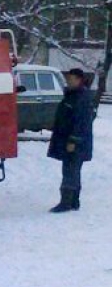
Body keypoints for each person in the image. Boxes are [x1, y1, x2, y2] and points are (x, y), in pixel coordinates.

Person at [48, 67, 95, 213]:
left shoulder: (81, 97)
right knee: (72, 170)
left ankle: (66, 202)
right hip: (69, 140)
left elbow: (81, 122)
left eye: (72, 79)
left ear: (79, 80)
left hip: (75, 143)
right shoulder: (72, 95)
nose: (69, 81)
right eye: (68, 78)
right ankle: (73, 201)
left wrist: (73, 141)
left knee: (70, 170)